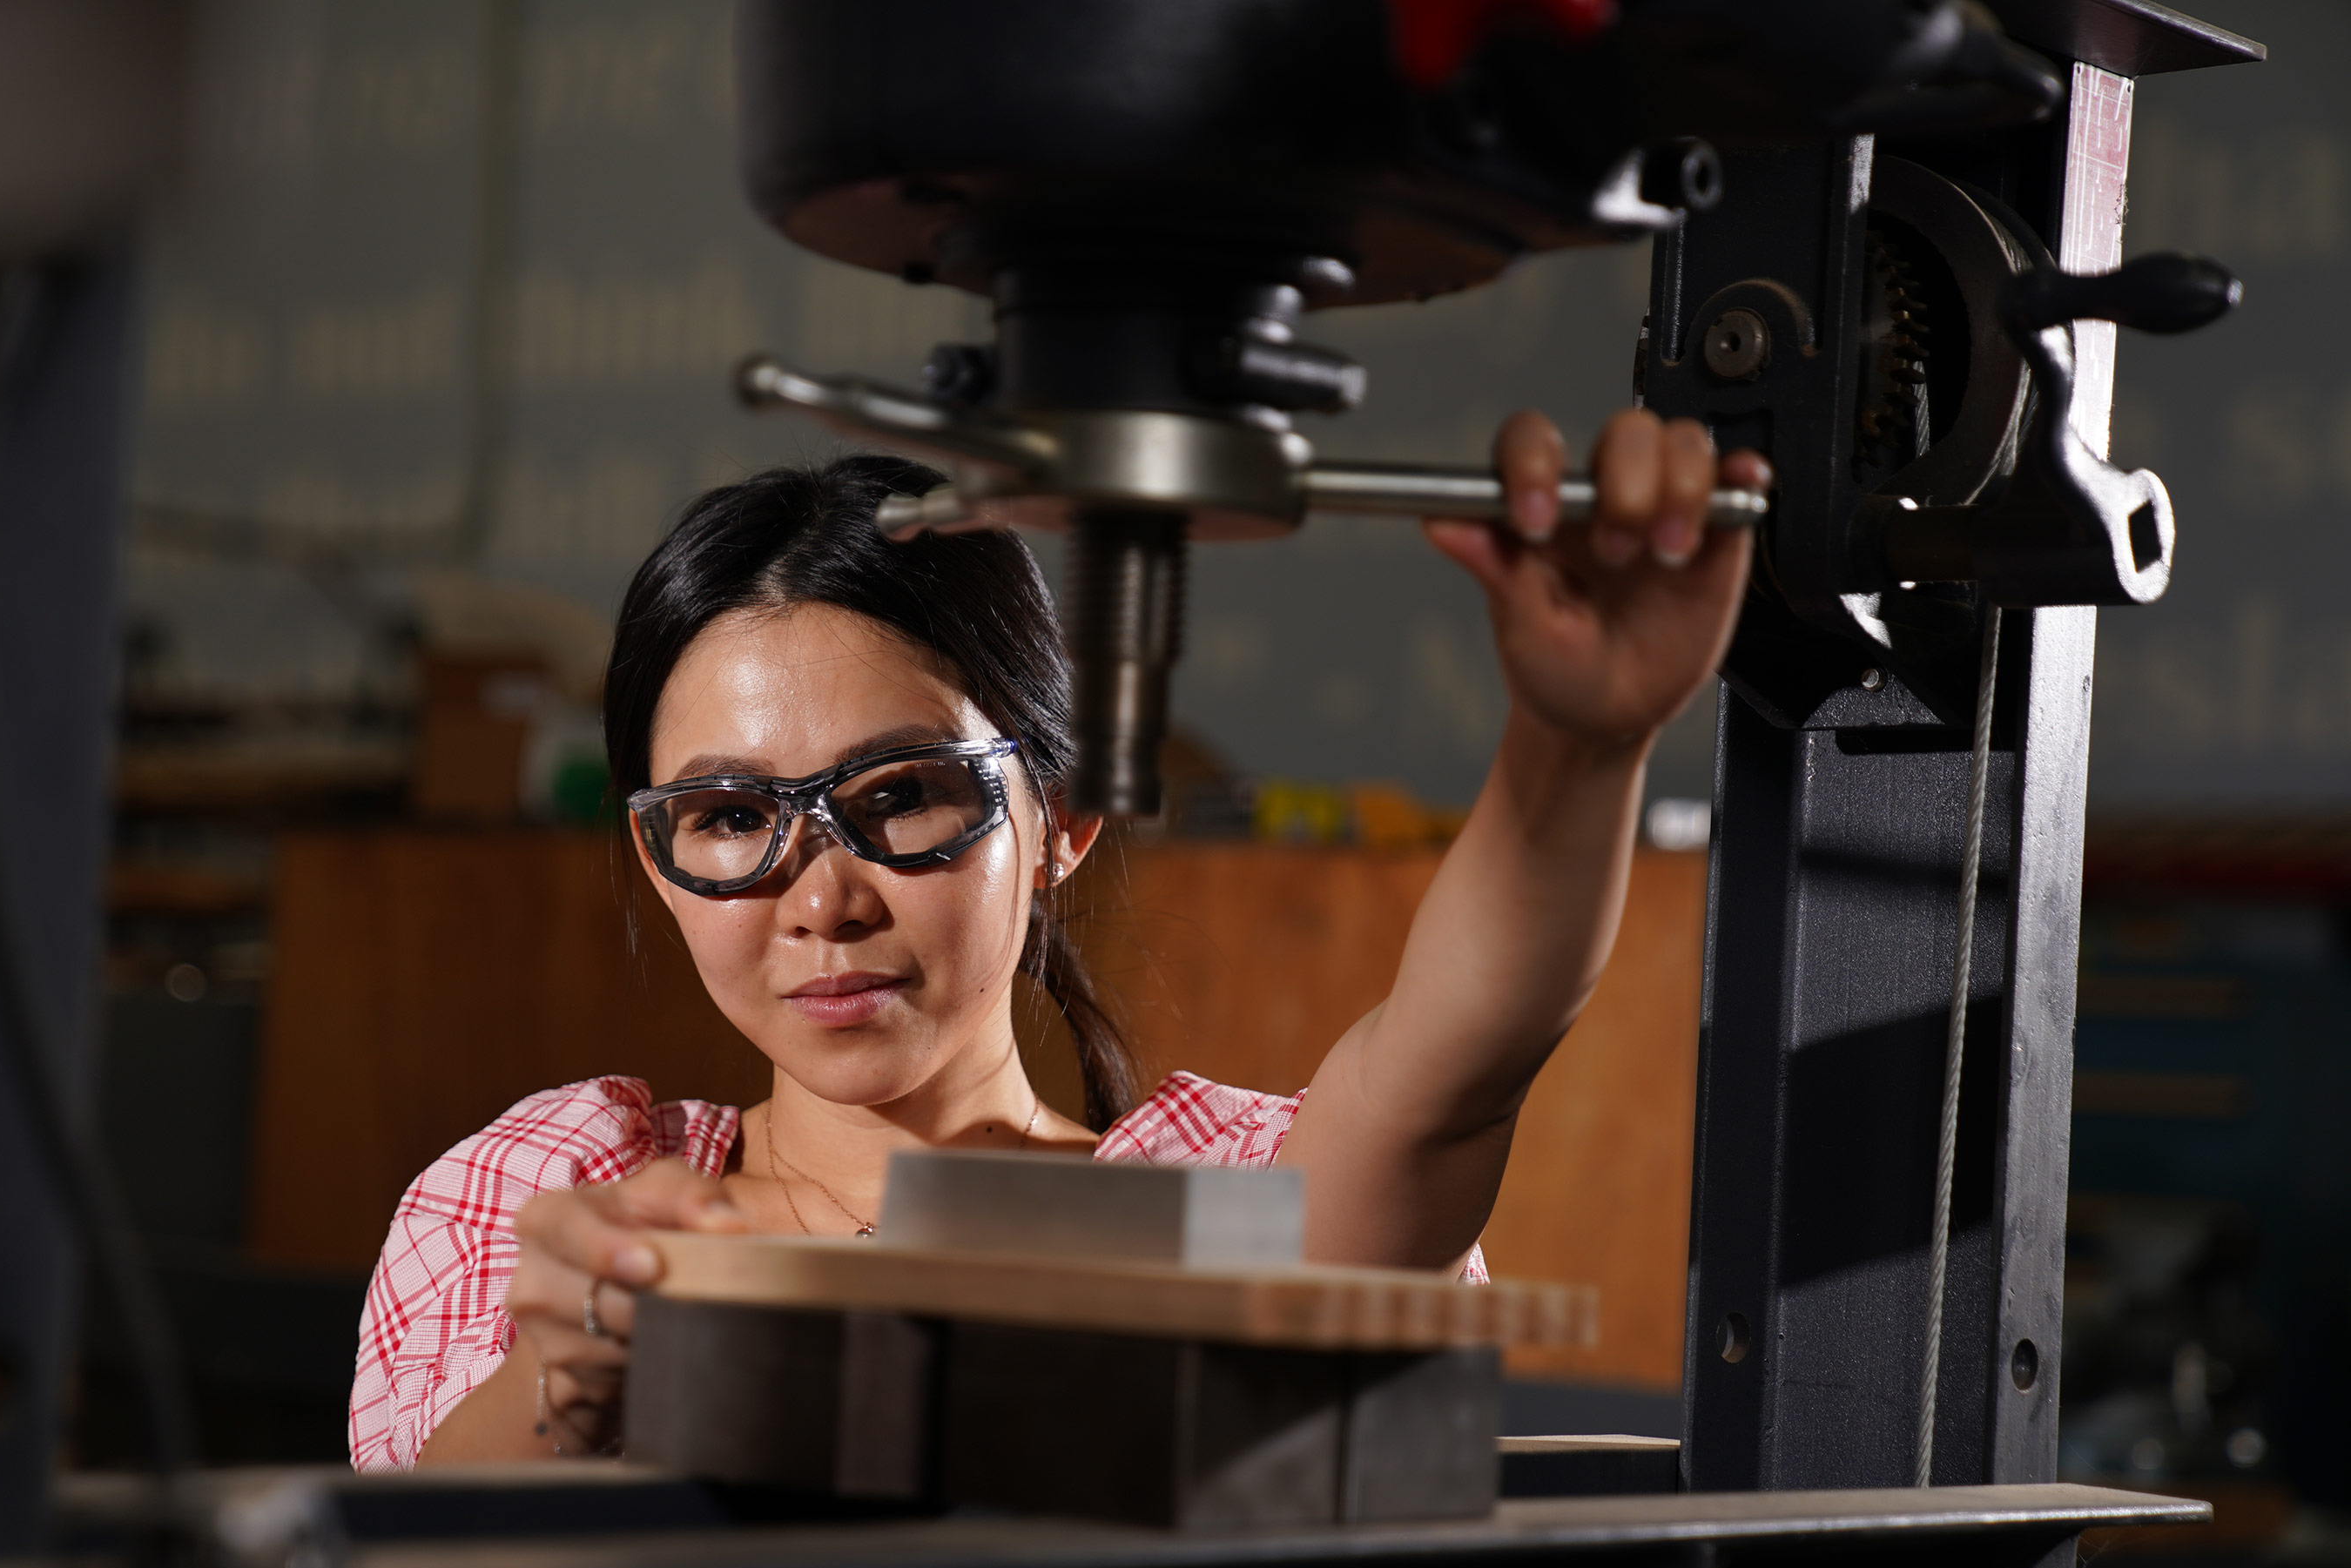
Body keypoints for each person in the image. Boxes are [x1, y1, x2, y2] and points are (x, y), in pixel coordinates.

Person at [351, 409, 1766, 1470]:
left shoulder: (1205, 1210)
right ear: (658, 859)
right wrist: (576, 1363)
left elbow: (1450, 1074)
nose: (820, 898)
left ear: (1065, 817)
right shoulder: (560, 1194)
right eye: (728, 819)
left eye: (898, 797)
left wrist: (1578, 750)